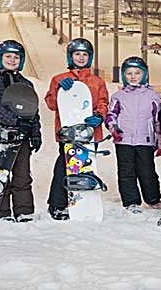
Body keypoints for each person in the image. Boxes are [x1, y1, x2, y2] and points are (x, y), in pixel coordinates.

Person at [44, 38, 109, 220]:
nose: (81, 58)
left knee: (87, 167)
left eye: (84, 54)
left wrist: (99, 116)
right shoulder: (59, 79)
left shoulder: (97, 82)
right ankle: (57, 203)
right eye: (77, 54)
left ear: (90, 57)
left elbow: (104, 102)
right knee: (64, 168)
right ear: (70, 56)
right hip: (68, 134)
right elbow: (51, 103)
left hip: (90, 134)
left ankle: (86, 202)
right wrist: (59, 91)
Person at [0, 40, 42, 222]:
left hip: (22, 138)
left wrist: (35, 133)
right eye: (8, 56)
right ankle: (2, 211)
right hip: (0, 136)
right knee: (1, 174)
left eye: (16, 57)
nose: (12, 60)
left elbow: (33, 111)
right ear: (0, 58)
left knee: (22, 174)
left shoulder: (26, 84)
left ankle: (24, 211)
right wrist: (15, 121)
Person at [105, 56, 161, 214]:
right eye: (129, 73)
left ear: (144, 74)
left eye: (137, 73)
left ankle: (153, 199)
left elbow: (158, 119)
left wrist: (160, 142)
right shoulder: (118, 96)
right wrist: (114, 129)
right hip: (123, 140)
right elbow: (111, 115)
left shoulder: (152, 96)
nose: (133, 76)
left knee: (147, 171)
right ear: (124, 75)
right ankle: (131, 201)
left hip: (145, 140)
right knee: (126, 172)